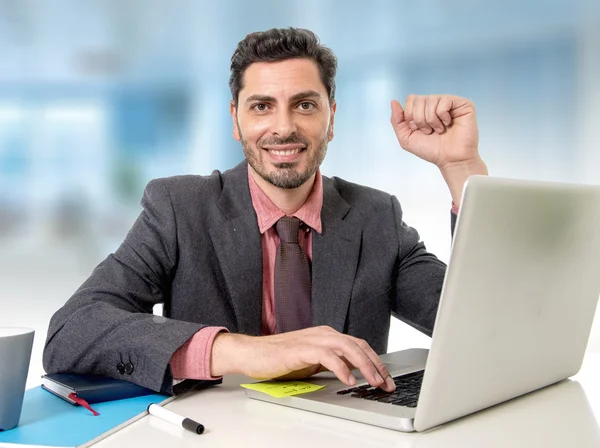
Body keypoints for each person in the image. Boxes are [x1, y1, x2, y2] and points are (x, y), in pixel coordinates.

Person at [43, 27, 488, 395]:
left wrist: (461, 167)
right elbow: (72, 330)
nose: (283, 127)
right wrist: (248, 352)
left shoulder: (376, 216)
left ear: (331, 118)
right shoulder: (179, 208)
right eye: (262, 107)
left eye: (305, 105)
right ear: (235, 120)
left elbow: (479, 326)